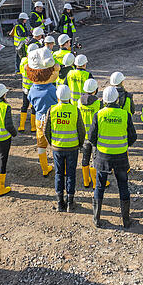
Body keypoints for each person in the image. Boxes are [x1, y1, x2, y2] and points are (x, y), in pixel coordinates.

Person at [88, 86, 137, 228]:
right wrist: (123, 144)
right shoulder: (125, 115)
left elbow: (91, 137)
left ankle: (96, 219)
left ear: (103, 100)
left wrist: (101, 145)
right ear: (117, 99)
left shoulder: (99, 115)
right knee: (123, 185)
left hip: (103, 156)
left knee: (99, 186)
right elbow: (133, 136)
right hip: (121, 156)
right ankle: (126, 220)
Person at [46, 85, 86, 213]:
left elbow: (46, 130)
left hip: (57, 148)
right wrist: (80, 144)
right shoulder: (75, 110)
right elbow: (81, 130)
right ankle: (70, 202)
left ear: (57, 96)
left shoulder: (52, 110)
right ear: (69, 96)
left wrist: (52, 143)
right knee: (70, 174)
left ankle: (59, 203)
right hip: (72, 147)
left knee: (58, 173)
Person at [26, 47, 59, 177]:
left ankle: (45, 168)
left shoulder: (32, 90)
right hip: (53, 118)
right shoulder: (52, 90)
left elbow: (31, 102)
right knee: (56, 143)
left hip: (39, 118)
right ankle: (62, 167)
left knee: (41, 144)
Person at [78, 78, 102, 188]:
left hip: (84, 136)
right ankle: (95, 182)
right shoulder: (97, 103)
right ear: (95, 90)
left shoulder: (79, 102)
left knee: (85, 158)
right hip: (95, 136)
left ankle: (85, 181)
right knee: (95, 159)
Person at [18, 47, 38, 134]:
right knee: (33, 107)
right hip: (33, 88)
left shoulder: (23, 61)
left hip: (25, 87)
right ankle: (33, 127)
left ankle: (21, 126)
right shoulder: (35, 62)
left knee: (24, 105)